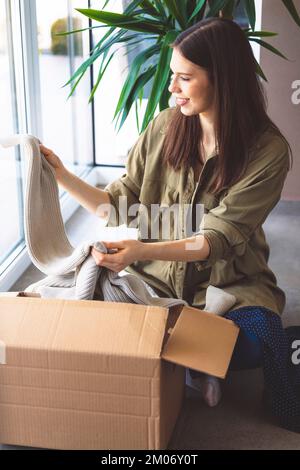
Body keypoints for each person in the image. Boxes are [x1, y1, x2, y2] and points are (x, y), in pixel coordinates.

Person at [40, 18, 292, 410]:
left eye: (184, 78)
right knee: (76, 312)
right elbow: (116, 206)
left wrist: (140, 251)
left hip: (230, 288)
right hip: (152, 286)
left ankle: (182, 358)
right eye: (172, 75)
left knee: (261, 336)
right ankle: (191, 362)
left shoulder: (269, 152)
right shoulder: (164, 127)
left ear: (222, 79)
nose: (171, 87)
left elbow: (214, 240)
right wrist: (60, 174)